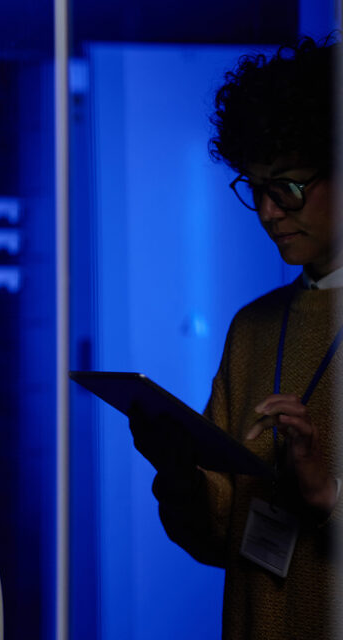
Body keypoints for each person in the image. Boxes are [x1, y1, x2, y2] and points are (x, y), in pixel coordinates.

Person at [129, 36, 340, 639]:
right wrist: (178, 473)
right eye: (256, 188)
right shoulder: (252, 327)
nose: (270, 212)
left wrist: (327, 494)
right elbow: (219, 536)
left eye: (289, 188)